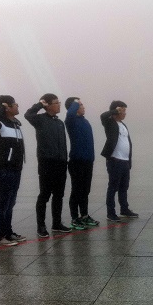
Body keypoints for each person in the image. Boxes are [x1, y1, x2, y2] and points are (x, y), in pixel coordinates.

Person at [24, 94, 71, 237]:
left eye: (59, 102)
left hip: (61, 163)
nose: (59, 105)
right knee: (44, 195)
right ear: (48, 105)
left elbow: (63, 144)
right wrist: (39, 104)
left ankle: (57, 223)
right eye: (56, 103)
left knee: (59, 195)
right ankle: (41, 226)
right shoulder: (40, 120)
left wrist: (65, 159)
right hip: (47, 163)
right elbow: (28, 115)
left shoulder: (59, 122)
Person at [0, 95, 27, 246]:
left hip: (16, 169)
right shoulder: (1, 125)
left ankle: (9, 232)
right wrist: (0, 107)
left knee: (11, 202)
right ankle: (1, 235)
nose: (17, 106)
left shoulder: (15, 124)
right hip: (5, 169)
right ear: (7, 107)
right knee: (3, 203)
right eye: (15, 104)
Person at [100, 100, 139, 222]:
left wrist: (129, 161)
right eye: (123, 111)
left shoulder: (123, 125)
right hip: (115, 160)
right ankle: (110, 213)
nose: (125, 113)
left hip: (125, 161)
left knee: (124, 187)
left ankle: (124, 209)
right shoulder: (109, 123)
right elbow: (103, 116)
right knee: (113, 187)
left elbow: (128, 143)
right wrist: (114, 111)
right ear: (116, 111)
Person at [65, 97, 99, 230]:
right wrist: (75, 102)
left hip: (88, 161)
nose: (83, 106)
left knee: (85, 190)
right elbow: (70, 113)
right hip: (77, 161)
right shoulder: (71, 121)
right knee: (77, 190)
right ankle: (75, 218)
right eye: (80, 105)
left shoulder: (85, 121)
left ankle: (84, 215)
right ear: (73, 107)